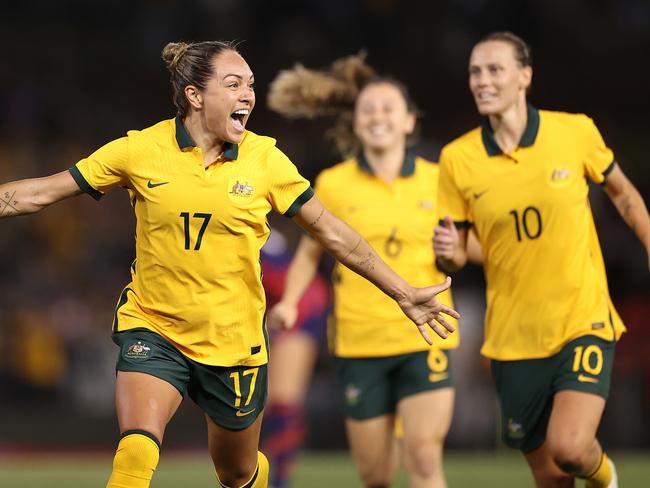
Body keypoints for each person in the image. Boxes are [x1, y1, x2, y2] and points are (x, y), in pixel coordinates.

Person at [0, 40, 459, 488]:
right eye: (234, 84)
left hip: (233, 343)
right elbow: (40, 192)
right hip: (155, 327)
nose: (248, 96)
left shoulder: (266, 161)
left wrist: (403, 292)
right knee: (136, 452)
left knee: (237, 474)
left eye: (251, 86)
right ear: (195, 96)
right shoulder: (138, 151)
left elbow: (333, 233)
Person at [434, 31, 650, 488]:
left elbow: (624, 196)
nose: (482, 80)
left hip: (581, 318)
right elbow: (460, 253)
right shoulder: (457, 159)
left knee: (570, 448)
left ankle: (608, 480)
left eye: (495, 69)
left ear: (524, 77)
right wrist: (449, 257)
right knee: (551, 477)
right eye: (475, 71)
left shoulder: (574, 132)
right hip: (512, 339)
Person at [267, 54, 460, 488]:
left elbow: (475, 247)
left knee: (426, 460)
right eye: (368, 109)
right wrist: (291, 305)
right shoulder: (333, 183)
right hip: (359, 342)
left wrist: (460, 252)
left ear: (410, 121)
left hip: (425, 335)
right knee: (376, 476)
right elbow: (306, 257)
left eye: (389, 108)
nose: (378, 117)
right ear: (355, 122)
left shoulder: (440, 178)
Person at [259, 225, 330, 488]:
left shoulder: (247, 229)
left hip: (300, 303)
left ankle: (279, 481)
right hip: (269, 307)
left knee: (283, 401)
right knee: (258, 402)